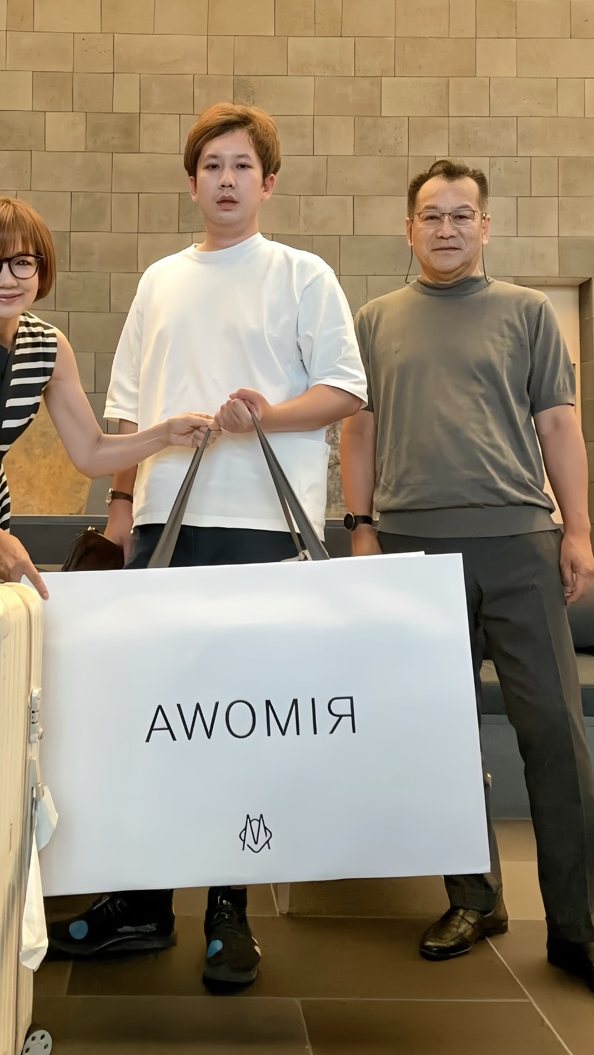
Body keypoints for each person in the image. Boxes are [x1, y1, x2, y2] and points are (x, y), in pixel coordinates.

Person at [48, 103, 367, 987]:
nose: (226, 180)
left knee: (241, 717)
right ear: (191, 183)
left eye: (241, 166)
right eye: (211, 167)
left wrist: (267, 413)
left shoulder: (302, 274)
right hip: (164, 523)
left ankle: (230, 906)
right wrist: (121, 508)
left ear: (268, 182)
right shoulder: (159, 280)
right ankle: (144, 901)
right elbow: (126, 411)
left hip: (265, 527)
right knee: (156, 714)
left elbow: (345, 390)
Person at [339, 157, 594, 1011]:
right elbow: (357, 432)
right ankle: (475, 899)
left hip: (518, 544)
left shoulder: (527, 312)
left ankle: (580, 930)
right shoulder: (374, 320)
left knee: (555, 736)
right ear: (408, 228)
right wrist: (360, 527)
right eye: (431, 215)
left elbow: (560, 426)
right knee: (439, 737)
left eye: (461, 214)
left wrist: (577, 531)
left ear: (485, 225)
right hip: (412, 548)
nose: (446, 228)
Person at [0, 194, 212, 599]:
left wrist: (165, 433)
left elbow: (91, 453)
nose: (7, 279)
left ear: (41, 271)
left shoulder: (48, 346)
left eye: (22, 262)